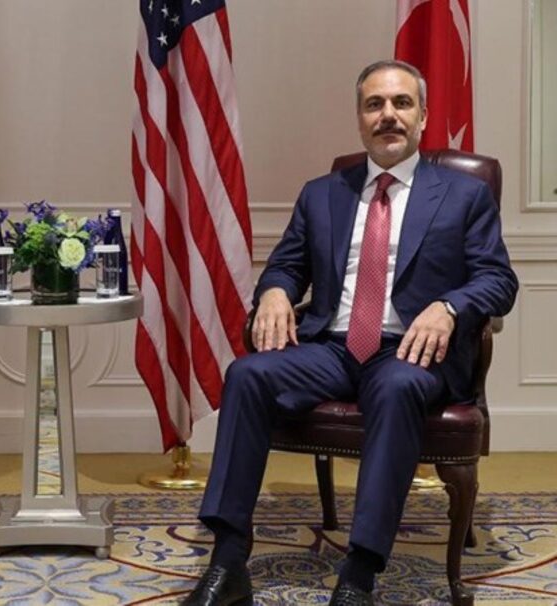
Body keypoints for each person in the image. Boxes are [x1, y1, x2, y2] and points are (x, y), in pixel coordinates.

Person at [182, 60, 518, 606]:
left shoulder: (463, 195)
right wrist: (275, 292)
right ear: (359, 119)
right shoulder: (322, 193)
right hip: (331, 348)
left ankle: (359, 573)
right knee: (247, 374)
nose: (388, 115)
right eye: (374, 104)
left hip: (410, 352)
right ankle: (228, 559)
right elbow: (286, 266)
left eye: (402, 103)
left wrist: (450, 307)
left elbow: (498, 280)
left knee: (397, 386)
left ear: (423, 116)